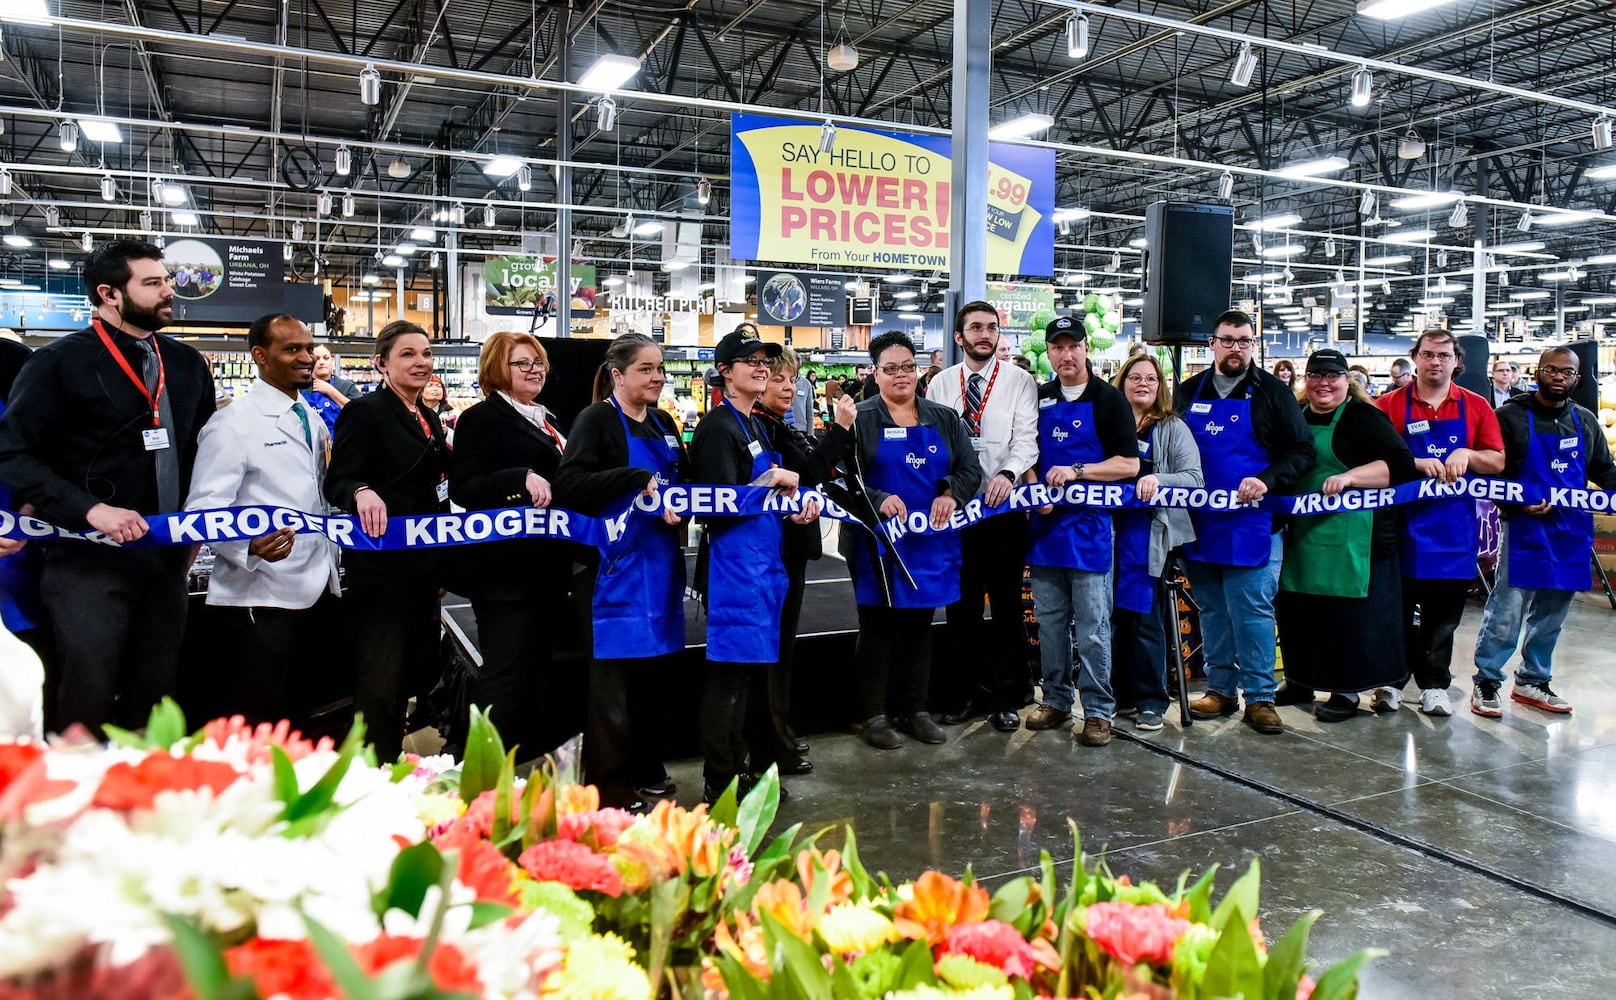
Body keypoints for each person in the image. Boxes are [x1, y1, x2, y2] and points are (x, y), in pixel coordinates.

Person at [0, 240, 215, 736]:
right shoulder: (56, 363)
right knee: (86, 698)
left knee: (157, 701)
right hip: (85, 563)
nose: (169, 291)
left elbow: (204, 452)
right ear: (109, 293)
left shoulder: (186, 366)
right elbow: (12, 452)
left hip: (165, 562)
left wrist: (195, 524)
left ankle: (148, 803)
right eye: (153, 283)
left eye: (166, 280)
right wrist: (89, 509)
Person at [185, 314, 340, 725]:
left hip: (313, 588)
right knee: (261, 719)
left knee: (300, 715)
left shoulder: (308, 414)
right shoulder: (232, 425)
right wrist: (245, 547)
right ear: (260, 355)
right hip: (257, 598)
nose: (306, 358)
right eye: (292, 349)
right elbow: (202, 510)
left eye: (309, 348)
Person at [552, 333, 686, 809]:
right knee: (611, 687)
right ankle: (607, 787)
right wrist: (633, 479)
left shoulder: (665, 423)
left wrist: (681, 507)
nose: (657, 377)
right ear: (617, 375)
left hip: (662, 568)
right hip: (612, 573)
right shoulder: (597, 421)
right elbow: (568, 484)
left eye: (660, 367)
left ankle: (648, 767)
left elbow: (685, 485)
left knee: (655, 682)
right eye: (646, 369)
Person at [688, 330, 818, 802]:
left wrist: (793, 501)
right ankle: (719, 783)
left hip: (765, 568)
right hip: (734, 572)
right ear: (725, 371)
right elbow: (715, 504)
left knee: (750, 681)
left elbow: (770, 492)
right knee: (729, 681)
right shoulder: (718, 427)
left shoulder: (756, 424)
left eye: (765, 361)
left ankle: (748, 773)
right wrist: (772, 480)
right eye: (750, 362)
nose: (762, 369)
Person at [1172, 309, 1314, 734]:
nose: (1236, 348)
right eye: (1228, 340)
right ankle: (1220, 689)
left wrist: (1267, 480)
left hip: (1253, 526)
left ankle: (1260, 697)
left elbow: (1302, 452)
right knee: (1213, 609)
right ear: (1211, 344)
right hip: (1200, 525)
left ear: (1254, 346)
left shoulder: (1273, 393)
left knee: (1251, 610)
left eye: (1244, 341)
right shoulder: (1186, 392)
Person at [840, 332, 983, 749]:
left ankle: (915, 710)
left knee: (921, 626)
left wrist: (950, 491)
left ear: (917, 370)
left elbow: (971, 470)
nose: (901, 375)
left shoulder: (943, 417)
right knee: (878, 627)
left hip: (931, 544)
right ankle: (874, 715)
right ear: (876, 373)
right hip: (877, 544)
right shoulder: (862, 420)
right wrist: (879, 500)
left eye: (907, 367)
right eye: (890, 369)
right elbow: (840, 479)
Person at [324, 320, 450, 760]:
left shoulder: (429, 417)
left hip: (422, 570)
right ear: (381, 363)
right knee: (380, 678)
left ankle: (392, 764)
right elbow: (337, 480)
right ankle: (371, 771)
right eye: (409, 354)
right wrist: (360, 490)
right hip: (380, 571)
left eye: (427, 354)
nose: (422, 363)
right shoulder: (366, 411)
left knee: (411, 673)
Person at [448, 332, 577, 759]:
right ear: (496, 370)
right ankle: (486, 775)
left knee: (537, 670)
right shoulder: (482, 419)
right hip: (504, 576)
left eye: (538, 362)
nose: (535, 370)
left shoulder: (547, 419)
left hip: (546, 571)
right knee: (505, 675)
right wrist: (517, 478)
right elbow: (465, 486)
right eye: (522, 363)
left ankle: (525, 763)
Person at [1471, 346, 1616, 718]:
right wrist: (1517, 504)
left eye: (1567, 373)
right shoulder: (1510, 417)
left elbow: (1604, 469)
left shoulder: (1584, 420)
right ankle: (1487, 680)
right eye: (1551, 370)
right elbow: (1490, 473)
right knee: (1507, 609)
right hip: (1523, 528)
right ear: (1538, 372)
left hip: (1570, 531)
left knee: (1552, 613)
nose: (1558, 377)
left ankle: (1533, 679)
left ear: (1577, 379)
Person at [1273, 350, 1419, 722]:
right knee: (1299, 611)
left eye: (1332, 376)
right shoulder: (1297, 417)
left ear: (1346, 380)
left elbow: (1400, 465)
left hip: (1350, 535)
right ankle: (1300, 679)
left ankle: (1346, 691)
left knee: (1346, 618)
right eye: (1316, 376)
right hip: (1302, 535)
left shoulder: (1363, 417)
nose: (1324, 383)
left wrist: (1352, 477)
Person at [1373, 330, 1504, 716]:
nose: (1435, 362)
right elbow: (1371, 455)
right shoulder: (1388, 405)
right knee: (1394, 609)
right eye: (1428, 354)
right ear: (1415, 358)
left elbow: (1496, 460)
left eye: (1444, 356)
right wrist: (1411, 463)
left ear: (1456, 361)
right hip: (1398, 526)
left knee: (1442, 615)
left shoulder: (1476, 406)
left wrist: (1467, 453)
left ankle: (1434, 684)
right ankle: (1390, 681)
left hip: (1452, 529)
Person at [1023, 316, 1138, 746]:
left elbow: (1129, 464)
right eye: (1058, 347)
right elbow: (1026, 451)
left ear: (1086, 348)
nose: (1066, 355)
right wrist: (1035, 485)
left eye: (1074, 346)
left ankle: (1098, 711)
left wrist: (1077, 471)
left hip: (1090, 531)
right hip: (1046, 530)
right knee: (1050, 623)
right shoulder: (1039, 398)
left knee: (1092, 627)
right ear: (1049, 352)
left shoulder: (1109, 401)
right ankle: (1054, 699)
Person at [925, 301, 1040, 731]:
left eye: (991, 328)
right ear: (959, 337)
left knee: (1008, 605)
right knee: (962, 607)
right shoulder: (939, 383)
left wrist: (1009, 473)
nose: (984, 335)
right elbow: (932, 443)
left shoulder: (1019, 381)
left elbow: (1027, 438)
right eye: (975, 328)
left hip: (1002, 508)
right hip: (957, 512)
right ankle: (963, 694)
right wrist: (949, 490)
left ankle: (1008, 695)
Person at [751, 347, 856, 777]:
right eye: (778, 379)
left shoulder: (780, 426)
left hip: (791, 554)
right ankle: (772, 737)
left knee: (783, 652)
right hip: (773, 555)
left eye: (791, 379)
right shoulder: (765, 430)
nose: (787, 387)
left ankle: (778, 730)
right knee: (772, 654)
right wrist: (840, 428)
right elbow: (809, 471)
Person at [1110, 353, 1202, 732]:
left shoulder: (1172, 428)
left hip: (1149, 536)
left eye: (1151, 378)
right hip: (1106, 535)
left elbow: (1194, 478)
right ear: (1123, 382)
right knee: (1110, 621)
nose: (1143, 384)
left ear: (1161, 386)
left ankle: (1150, 700)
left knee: (1146, 622)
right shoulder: (1109, 422)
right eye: (1135, 377)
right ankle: (1116, 695)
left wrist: (1160, 481)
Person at [304, 344, 362, 436]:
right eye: (317, 358)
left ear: (333, 361)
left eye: (326, 358)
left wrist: (331, 391)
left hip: (341, 444)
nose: (321, 362)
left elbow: (360, 413)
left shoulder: (346, 387)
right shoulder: (301, 387)